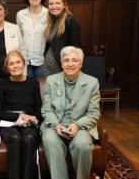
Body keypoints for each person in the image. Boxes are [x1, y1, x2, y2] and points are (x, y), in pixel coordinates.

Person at [41, 46, 100, 179]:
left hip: (80, 126)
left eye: (74, 60)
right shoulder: (51, 80)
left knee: (83, 145)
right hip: (55, 124)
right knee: (50, 140)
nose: (70, 64)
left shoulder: (92, 83)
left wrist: (77, 125)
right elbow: (46, 109)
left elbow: (94, 113)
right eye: (66, 60)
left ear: (81, 63)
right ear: (61, 63)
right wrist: (56, 125)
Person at [0, 50, 42, 179]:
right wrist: (19, 117)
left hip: (29, 123)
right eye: (11, 63)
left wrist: (33, 118)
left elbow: (39, 109)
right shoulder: (2, 84)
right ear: (7, 67)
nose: (15, 66)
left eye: (18, 62)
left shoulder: (33, 83)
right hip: (8, 122)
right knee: (15, 138)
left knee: (29, 138)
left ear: (24, 64)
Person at [44, 0, 80, 76]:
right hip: (47, 69)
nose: (54, 6)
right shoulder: (52, 21)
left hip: (61, 69)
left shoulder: (70, 21)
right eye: (51, 4)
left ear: (64, 5)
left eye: (57, 3)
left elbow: (75, 48)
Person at [16, 0, 48, 80]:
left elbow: (51, 37)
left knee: (41, 88)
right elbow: (19, 36)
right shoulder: (20, 14)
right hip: (24, 60)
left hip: (42, 61)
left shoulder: (48, 14)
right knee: (27, 88)